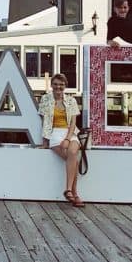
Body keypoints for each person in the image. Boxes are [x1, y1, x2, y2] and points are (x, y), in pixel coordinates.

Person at [37, 74, 85, 207]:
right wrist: (45, 141)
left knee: (73, 151)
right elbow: (44, 121)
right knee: (73, 160)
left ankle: (68, 189)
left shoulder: (71, 101)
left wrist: (68, 139)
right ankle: (75, 195)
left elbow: (73, 123)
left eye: (61, 84)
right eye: (56, 84)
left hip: (70, 132)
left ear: (65, 86)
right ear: (52, 85)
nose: (58, 87)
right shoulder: (45, 99)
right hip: (54, 133)